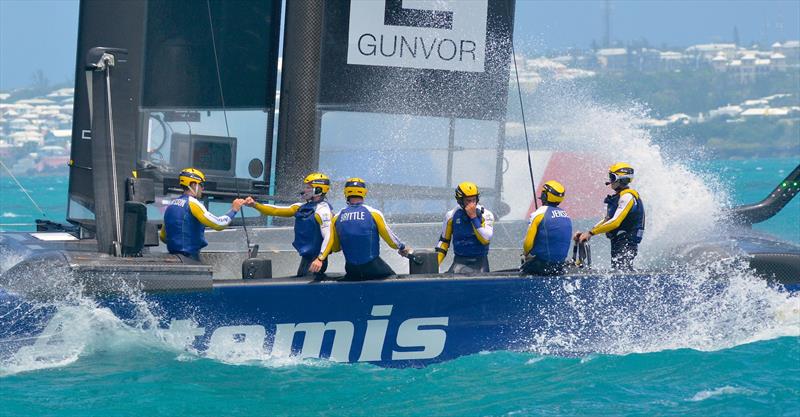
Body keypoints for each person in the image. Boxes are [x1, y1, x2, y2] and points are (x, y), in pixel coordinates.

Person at [244, 173, 333, 278]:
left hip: (316, 260)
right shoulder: (300, 207)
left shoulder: (323, 211)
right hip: (307, 257)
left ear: (318, 190)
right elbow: (275, 210)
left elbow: (329, 236)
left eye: (308, 188)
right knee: (301, 279)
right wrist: (255, 205)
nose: (304, 190)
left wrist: (320, 259)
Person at [320, 177, 412, 280]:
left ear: (346, 193)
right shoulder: (374, 213)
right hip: (373, 267)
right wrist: (402, 247)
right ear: (364, 193)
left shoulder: (337, 217)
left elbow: (336, 248)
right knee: (394, 280)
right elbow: (391, 241)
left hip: (351, 269)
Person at [160, 168, 244, 261]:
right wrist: (234, 210)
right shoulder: (193, 203)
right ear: (193, 184)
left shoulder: (171, 205)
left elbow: (163, 236)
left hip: (174, 258)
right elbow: (219, 224)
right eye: (201, 185)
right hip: (190, 258)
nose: (203, 188)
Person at [575, 162, 645, 271]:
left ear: (622, 179)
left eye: (612, 177)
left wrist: (591, 233)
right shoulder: (620, 196)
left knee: (622, 273)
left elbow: (615, 222)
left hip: (626, 243)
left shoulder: (627, 197)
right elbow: (607, 219)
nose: (610, 180)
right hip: (619, 241)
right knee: (618, 271)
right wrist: (587, 233)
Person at [435, 181, 495, 273]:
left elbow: (485, 239)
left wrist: (473, 217)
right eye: (468, 201)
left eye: (474, 200)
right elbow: (444, 242)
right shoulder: (451, 216)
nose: (472, 204)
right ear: (460, 200)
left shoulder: (486, 215)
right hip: (459, 261)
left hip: (480, 262)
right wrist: (434, 264)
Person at [521, 180, 573, 276]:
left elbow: (528, 244)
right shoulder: (566, 215)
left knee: (524, 266)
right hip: (560, 265)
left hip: (542, 265)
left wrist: (526, 254)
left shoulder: (538, 213)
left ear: (545, 195)